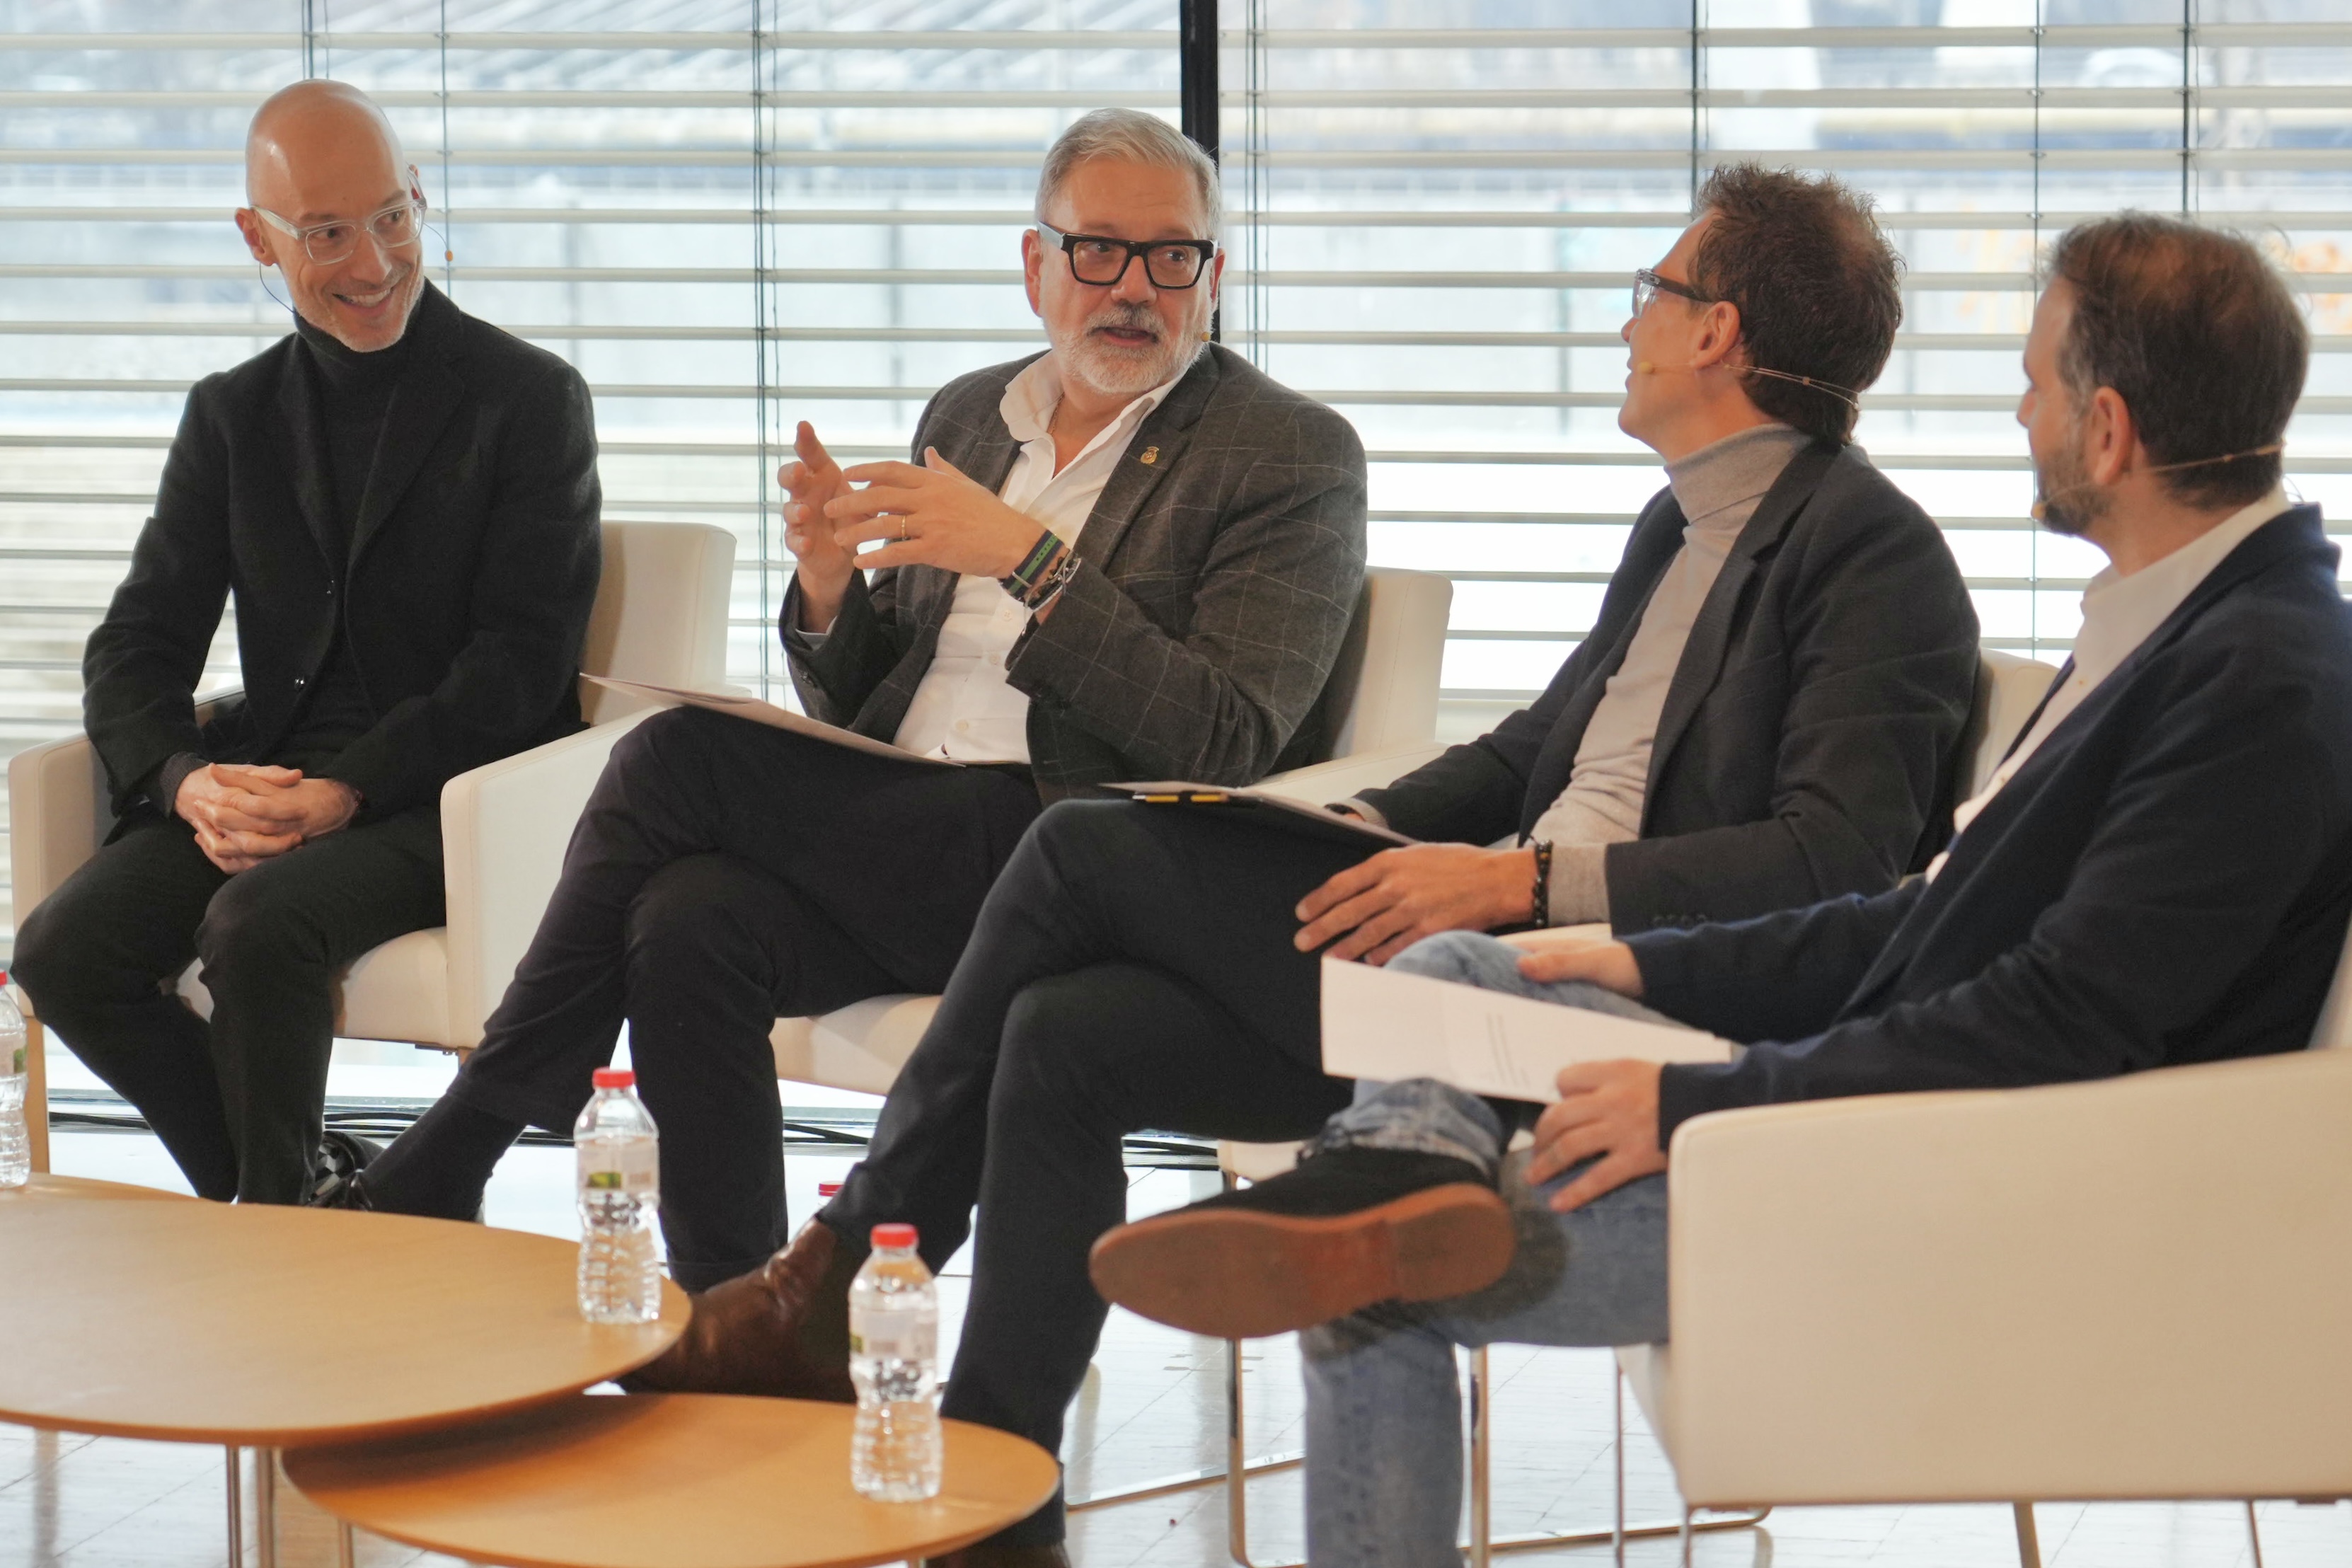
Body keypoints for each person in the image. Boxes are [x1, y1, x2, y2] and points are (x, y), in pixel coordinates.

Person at [641, 163, 1983, 1567]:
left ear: (1718, 332)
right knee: (1062, 1033)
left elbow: (1838, 865)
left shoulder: (1872, 557)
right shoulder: (1680, 525)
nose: (1631, 320)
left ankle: (843, 1266)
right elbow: (1534, 749)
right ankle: (996, 1512)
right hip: (1458, 970)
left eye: (1654, 289)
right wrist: (1357, 831)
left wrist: (1512, 889)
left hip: (1602, 1015)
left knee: (1080, 842)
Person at [1091, 213, 2352, 1568]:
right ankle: (1397, 1180)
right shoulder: (2171, 622)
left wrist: (1701, 1098)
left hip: (1973, 1183)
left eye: (2038, 380)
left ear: (2107, 432)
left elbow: (2059, 1019)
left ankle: (1380, 1211)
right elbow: (1928, 918)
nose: (2018, 406)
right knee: (1450, 972)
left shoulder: (2256, 679)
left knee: (1381, 1280)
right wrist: (1640, 968)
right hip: (1888, 1091)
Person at [340, 110, 1369, 1289]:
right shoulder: (973, 415)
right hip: (910, 834)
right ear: (1036, 265)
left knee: (677, 760)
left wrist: (1033, 563)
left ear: (1214, 274)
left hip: (1073, 850)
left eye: (1171, 255)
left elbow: (1225, 734)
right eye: (1098, 251)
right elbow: (876, 711)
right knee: (687, 916)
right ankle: (737, 1311)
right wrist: (831, 591)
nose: (1134, 287)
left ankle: (460, 1140)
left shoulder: (1287, 452)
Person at [11, 81, 601, 1206]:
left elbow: (519, 666)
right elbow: (136, 642)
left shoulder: (528, 399)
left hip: (444, 792)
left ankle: (278, 1231)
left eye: (393, 217)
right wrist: (188, 783)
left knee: (257, 926)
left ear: (421, 201)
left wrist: (341, 791)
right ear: (260, 240)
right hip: (267, 775)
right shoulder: (231, 416)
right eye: (329, 233)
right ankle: (302, 1204)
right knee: (60, 954)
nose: (374, 262)